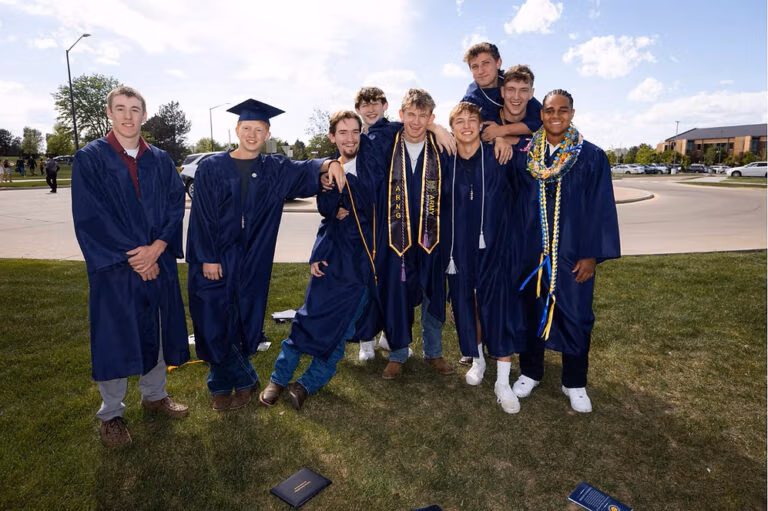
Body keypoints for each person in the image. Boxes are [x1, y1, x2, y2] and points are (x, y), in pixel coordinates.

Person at [186, 99, 345, 412]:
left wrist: (329, 165)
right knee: (213, 319)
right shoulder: (211, 167)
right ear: (236, 129)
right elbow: (201, 217)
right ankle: (234, 381)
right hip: (215, 258)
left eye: (259, 130)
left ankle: (235, 384)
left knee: (243, 320)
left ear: (267, 133)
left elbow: (305, 171)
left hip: (251, 259)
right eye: (247, 128)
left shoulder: (273, 168)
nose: (252, 134)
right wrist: (208, 257)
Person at [72, 86, 190, 447]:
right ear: (108, 113)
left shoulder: (160, 159)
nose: (128, 116)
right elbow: (92, 217)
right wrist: (136, 256)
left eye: (135, 109)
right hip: (116, 267)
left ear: (144, 115)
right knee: (115, 337)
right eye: (120, 109)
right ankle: (111, 414)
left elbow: (174, 207)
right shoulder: (90, 159)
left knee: (155, 328)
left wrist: (156, 250)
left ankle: (154, 395)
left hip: (157, 261)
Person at [259, 110, 380, 410]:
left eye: (355, 131)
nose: (350, 138)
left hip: (361, 263)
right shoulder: (325, 171)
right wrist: (318, 253)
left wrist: (342, 189)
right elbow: (328, 214)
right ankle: (278, 378)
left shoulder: (372, 165)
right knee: (307, 320)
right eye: (343, 132)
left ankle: (307, 384)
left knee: (341, 329)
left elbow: (368, 202)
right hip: (331, 258)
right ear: (332, 137)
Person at [511, 89, 620, 413]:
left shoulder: (590, 156)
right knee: (532, 312)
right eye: (548, 110)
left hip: (574, 254)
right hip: (533, 253)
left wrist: (591, 255)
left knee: (576, 315)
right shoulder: (528, 155)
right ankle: (531, 371)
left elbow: (601, 209)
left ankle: (574, 381)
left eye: (562, 110)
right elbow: (516, 205)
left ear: (572, 113)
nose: (555, 115)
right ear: (541, 114)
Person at [366, 88, 454, 380]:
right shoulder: (386, 144)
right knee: (397, 293)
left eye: (423, 116)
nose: (416, 122)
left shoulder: (442, 147)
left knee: (433, 293)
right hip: (396, 235)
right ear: (401, 115)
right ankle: (398, 353)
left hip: (432, 234)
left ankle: (434, 351)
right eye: (411, 114)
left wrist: (440, 129)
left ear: (431, 118)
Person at [442, 102, 523, 414]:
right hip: (458, 249)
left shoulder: (499, 156)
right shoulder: (445, 161)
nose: (466, 126)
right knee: (466, 305)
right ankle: (478, 361)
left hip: (495, 245)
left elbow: (521, 195)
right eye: (459, 121)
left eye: (471, 120)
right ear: (452, 128)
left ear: (481, 125)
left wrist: (503, 140)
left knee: (498, 307)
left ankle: (503, 381)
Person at [460, 43, 541, 144]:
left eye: (485, 63)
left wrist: (503, 130)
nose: (480, 71)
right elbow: (485, 135)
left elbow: (540, 118)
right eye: (475, 66)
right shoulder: (471, 100)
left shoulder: (511, 83)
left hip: (526, 144)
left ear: (498, 63)